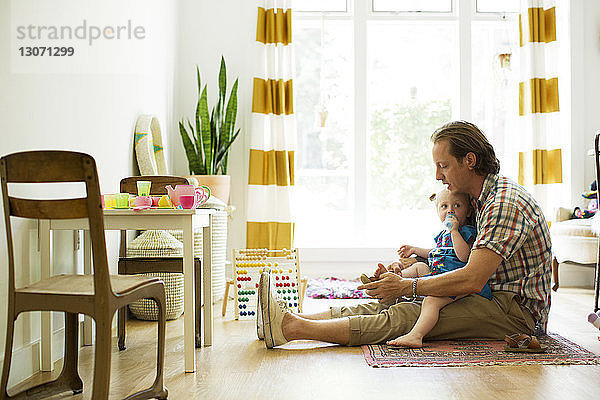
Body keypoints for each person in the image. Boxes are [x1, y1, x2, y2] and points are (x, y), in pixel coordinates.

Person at [259, 120, 552, 349]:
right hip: (487, 293)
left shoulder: (503, 202)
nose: (438, 175)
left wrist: (407, 287)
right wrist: (404, 273)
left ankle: (289, 329)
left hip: (514, 311)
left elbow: (473, 278)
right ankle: (290, 318)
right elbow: (455, 259)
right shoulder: (476, 198)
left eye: (444, 165)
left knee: (406, 313)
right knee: (390, 302)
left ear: (470, 161)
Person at [385, 189, 492, 348]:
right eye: (444, 206)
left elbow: (464, 256)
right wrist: (414, 249)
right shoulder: (443, 234)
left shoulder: (467, 232)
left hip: (458, 281)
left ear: (469, 211)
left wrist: (454, 231)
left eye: (457, 205)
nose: (450, 210)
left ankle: (416, 335)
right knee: (419, 267)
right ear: (437, 211)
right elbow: (435, 253)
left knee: (431, 301)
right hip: (439, 275)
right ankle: (393, 278)